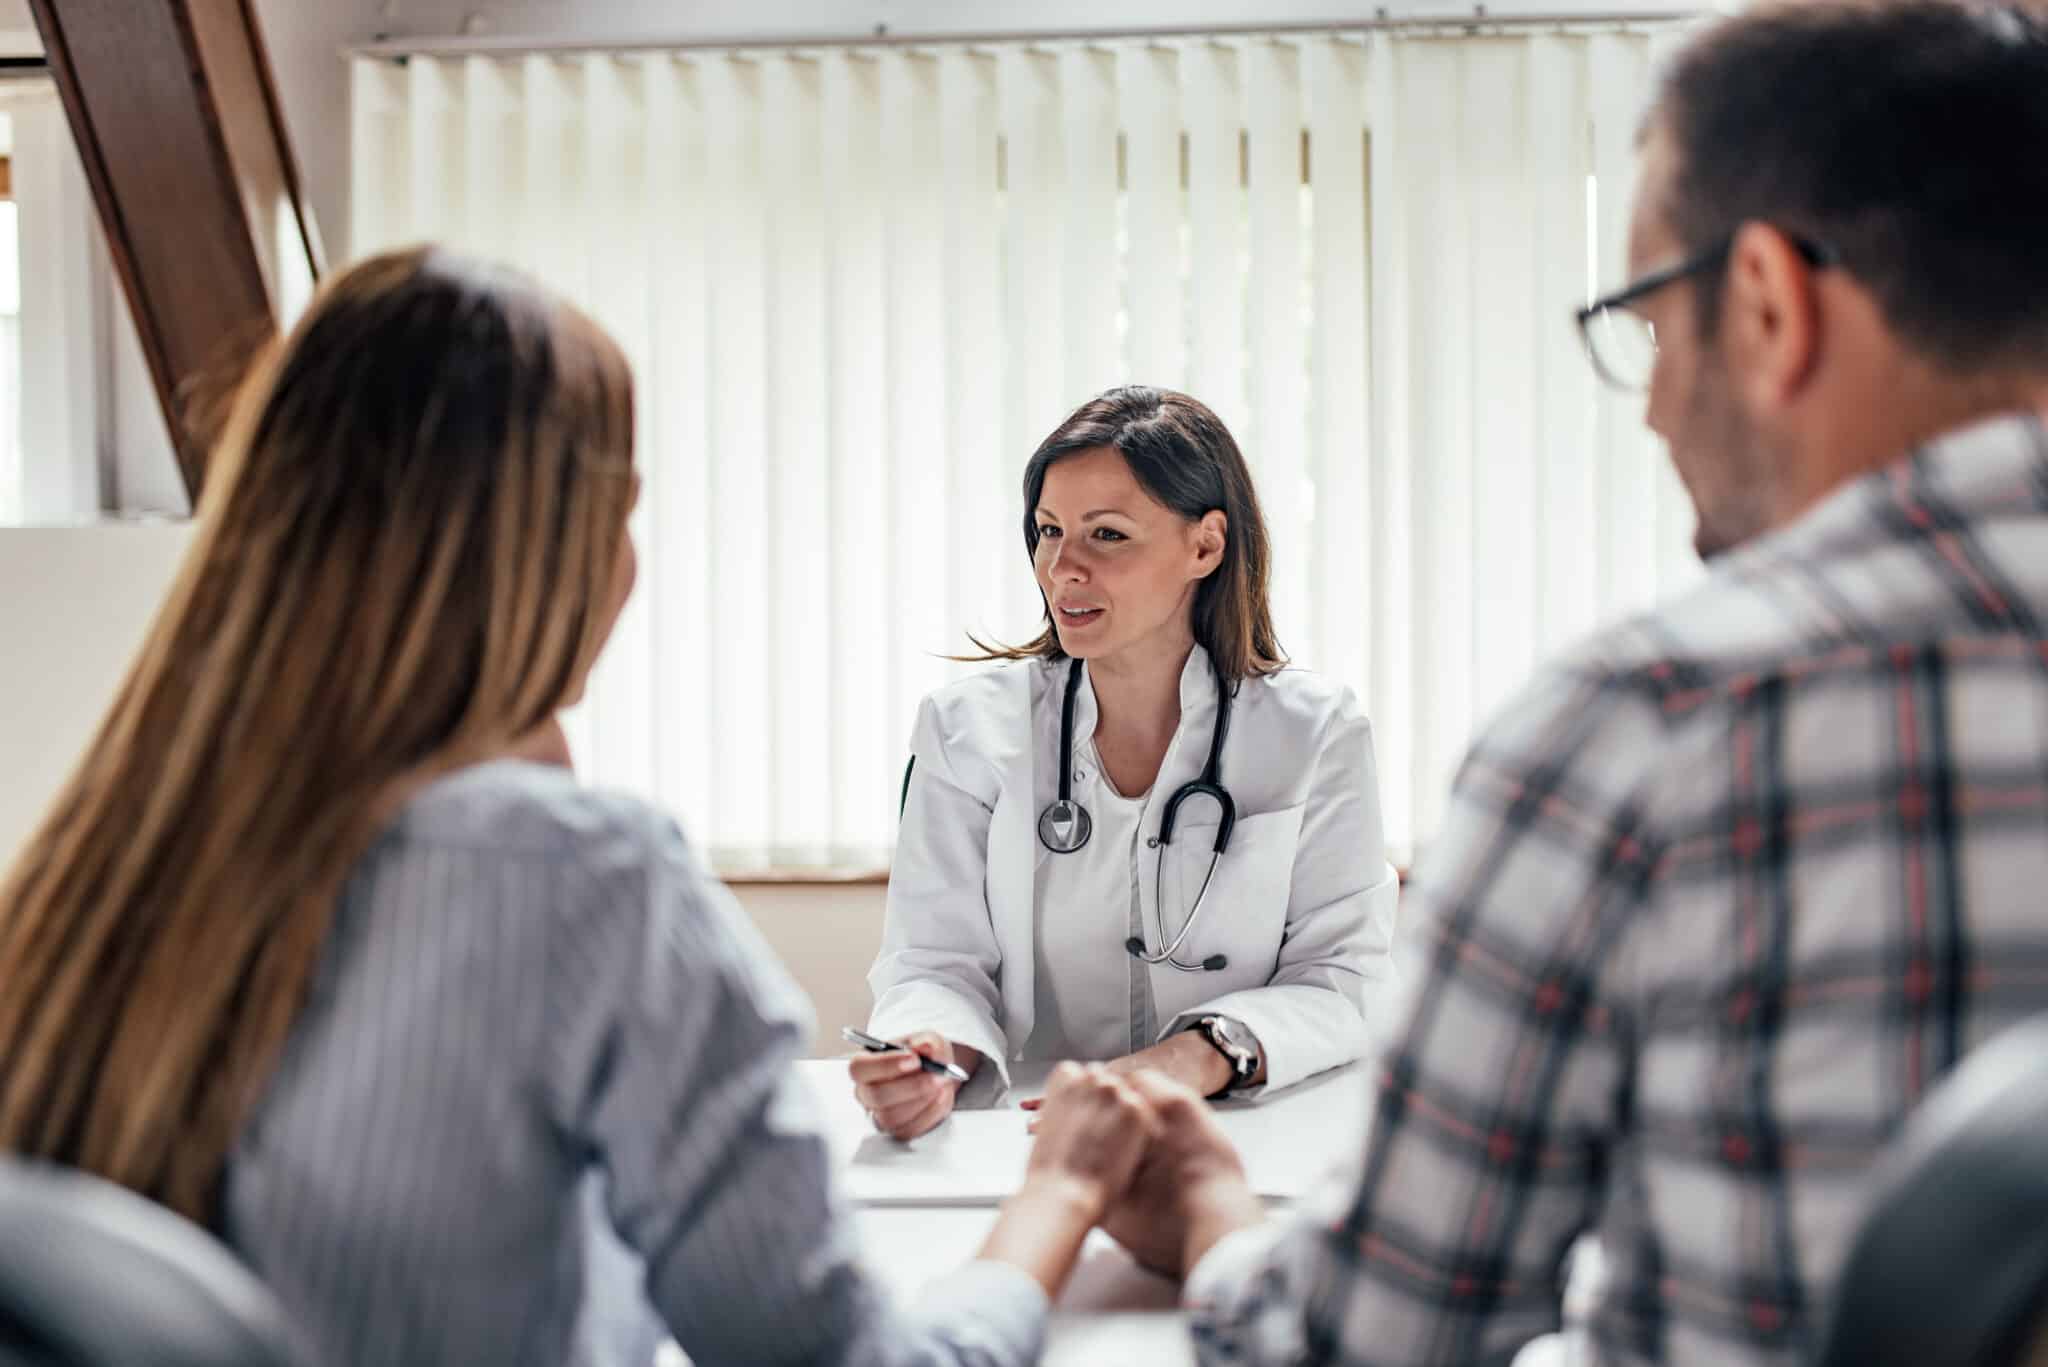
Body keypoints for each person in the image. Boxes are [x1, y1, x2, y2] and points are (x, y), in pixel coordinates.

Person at [1056, 3, 2048, 1363]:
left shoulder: (1650, 728)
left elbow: (1370, 1339)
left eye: (1647, 326)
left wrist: (1214, 1205)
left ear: (1766, 299)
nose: (1647, 408)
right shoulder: (977, 718)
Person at [0, 247, 1164, 1367]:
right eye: (623, 512)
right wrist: (1059, 1191)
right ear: (544, 548)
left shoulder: (98, 865)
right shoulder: (580, 880)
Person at [855, 386, 1399, 1139]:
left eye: (1106, 535)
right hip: (1035, 1134)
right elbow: (932, 962)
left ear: (1205, 545)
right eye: (1048, 531)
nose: (1061, 567)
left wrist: (1195, 1055)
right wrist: (928, 1053)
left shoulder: (1316, 733)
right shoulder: (966, 730)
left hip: (1247, 1132)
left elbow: (1344, 978)